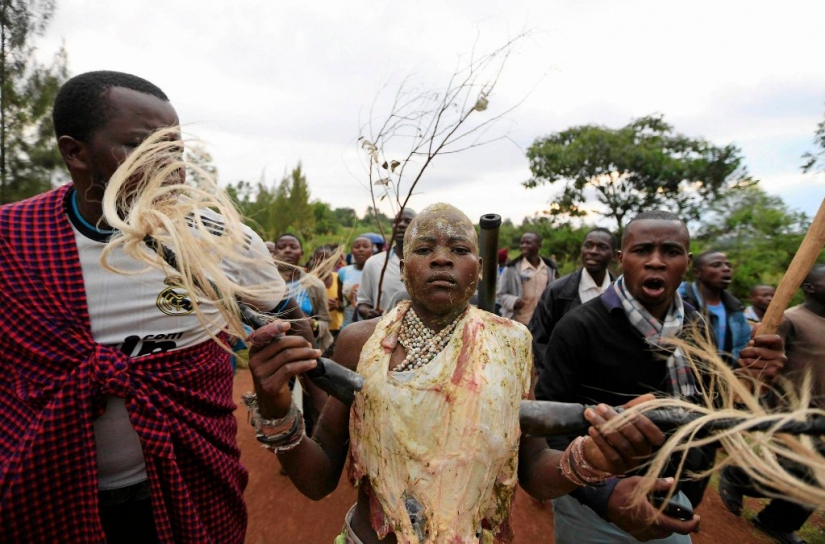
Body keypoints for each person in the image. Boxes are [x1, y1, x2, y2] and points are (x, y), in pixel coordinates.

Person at [246, 203, 672, 544]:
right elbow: (319, 478)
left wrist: (590, 460)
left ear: (479, 266)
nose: (442, 260)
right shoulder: (362, 341)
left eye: (459, 250)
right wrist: (275, 409)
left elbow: (535, 468)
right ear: (403, 263)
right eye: (425, 248)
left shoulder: (510, 342)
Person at [0, 71, 289, 542]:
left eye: (175, 150)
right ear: (75, 152)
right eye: (141, 147)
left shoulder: (222, 240)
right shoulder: (12, 240)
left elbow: (288, 325)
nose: (171, 168)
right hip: (44, 496)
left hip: (193, 488)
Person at [534, 210, 786, 543]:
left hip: (671, 494)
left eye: (670, 251)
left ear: (688, 261)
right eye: (642, 251)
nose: (656, 262)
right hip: (593, 501)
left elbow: (709, 410)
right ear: (622, 259)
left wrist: (751, 382)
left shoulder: (697, 329)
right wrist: (604, 494)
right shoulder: (579, 328)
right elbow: (549, 427)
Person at [719, 266, 825, 544]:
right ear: (810, 287)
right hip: (790, 410)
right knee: (806, 471)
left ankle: (775, 521)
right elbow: (763, 362)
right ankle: (739, 476)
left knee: (816, 476)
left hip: (821, 415)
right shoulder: (791, 319)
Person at [529, 227, 617, 376]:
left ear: (615, 255)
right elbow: (538, 338)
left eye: (602, 247)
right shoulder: (557, 291)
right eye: (588, 245)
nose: (593, 251)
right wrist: (552, 374)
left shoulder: (621, 293)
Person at [679, 250, 751, 365]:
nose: (726, 269)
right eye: (716, 265)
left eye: (728, 265)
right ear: (697, 273)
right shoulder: (678, 298)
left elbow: (742, 346)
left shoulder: (735, 308)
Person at [271, 234, 333, 353]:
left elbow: (325, 320)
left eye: (293, 247)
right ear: (274, 252)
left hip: (305, 349)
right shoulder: (263, 283)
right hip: (272, 349)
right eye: (282, 247)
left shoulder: (316, 285)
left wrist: (313, 325)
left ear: (301, 253)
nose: (287, 250)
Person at [356, 208, 416, 319]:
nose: (401, 225)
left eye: (407, 221)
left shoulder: (427, 264)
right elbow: (363, 304)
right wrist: (368, 313)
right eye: (396, 221)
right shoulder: (373, 263)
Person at [496, 231, 557, 325]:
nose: (523, 246)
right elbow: (500, 294)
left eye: (528, 243)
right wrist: (513, 301)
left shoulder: (549, 269)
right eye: (522, 243)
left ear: (538, 245)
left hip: (541, 324)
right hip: (518, 323)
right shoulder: (511, 269)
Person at [337, 235, 373, 327]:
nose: (361, 249)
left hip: (370, 328)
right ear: (352, 250)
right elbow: (342, 302)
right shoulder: (343, 272)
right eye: (357, 247)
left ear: (372, 250)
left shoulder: (378, 272)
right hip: (347, 327)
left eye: (365, 246)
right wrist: (338, 306)